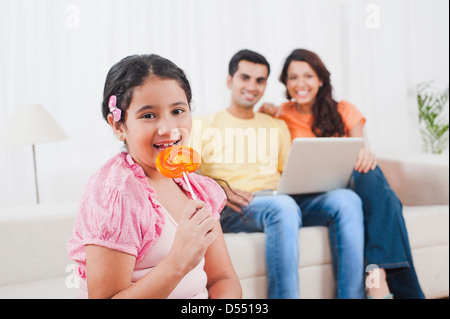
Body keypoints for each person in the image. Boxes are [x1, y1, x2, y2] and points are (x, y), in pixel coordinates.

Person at [194, 49, 365, 299]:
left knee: (347, 200)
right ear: (230, 81)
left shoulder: (276, 124)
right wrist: (222, 191)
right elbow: (185, 175)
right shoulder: (203, 125)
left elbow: (292, 172)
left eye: (260, 80)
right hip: (236, 205)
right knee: (283, 207)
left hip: (279, 198)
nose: (252, 86)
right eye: (245, 78)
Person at [67, 54, 242, 299]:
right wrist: (178, 262)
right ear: (118, 126)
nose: (168, 128)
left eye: (178, 111)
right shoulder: (115, 195)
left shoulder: (194, 187)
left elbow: (223, 278)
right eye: (149, 115)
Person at [259, 48, 425, 299]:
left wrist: (365, 154)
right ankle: (392, 286)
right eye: (293, 77)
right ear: (286, 82)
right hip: (308, 197)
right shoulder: (280, 114)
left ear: (321, 80)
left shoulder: (346, 110)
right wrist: (263, 112)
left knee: (369, 174)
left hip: (351, 188)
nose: (300, 84)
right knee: (389, 201)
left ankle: (379, 280)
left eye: (308, 76)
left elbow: (360, 154)